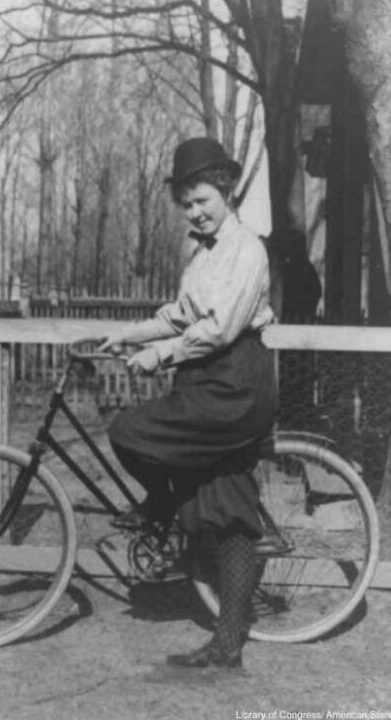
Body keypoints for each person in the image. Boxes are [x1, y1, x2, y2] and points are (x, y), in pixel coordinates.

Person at [98, 136, 276, 671]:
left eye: (202, 200)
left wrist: (158, 357)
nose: (193, 212)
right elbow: (181, 313)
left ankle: (159, 503)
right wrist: (129, 336)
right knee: (224, 511)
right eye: (186, 204)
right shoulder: (204, 253)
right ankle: (226, 646)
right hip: (204, 384)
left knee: (129, 430)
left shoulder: (247, 249)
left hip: (233, 384)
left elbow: (219, 329)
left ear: (224, 190)